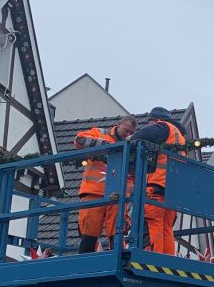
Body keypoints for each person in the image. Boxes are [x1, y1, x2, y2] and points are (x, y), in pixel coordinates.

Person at [128, 107, 188, 255]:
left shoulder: (163, 127)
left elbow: (141, 135)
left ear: (154, 120)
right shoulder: (179, 136)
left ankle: (151, 257)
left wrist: (130, 139)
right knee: (165, 227)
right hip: (172, 190)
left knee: (151, 224)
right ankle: (166, 259)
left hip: (157, 186)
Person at [73, 115, 137, 253]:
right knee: (89, 233)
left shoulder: (132, 145)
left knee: (117, 233)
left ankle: (115, 260)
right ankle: (83, 263)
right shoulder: (100, 133)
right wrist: (105, 146)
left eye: (131, 133)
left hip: (118, 196)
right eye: (126, 131)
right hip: (94, 192)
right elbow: (78, 140)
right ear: (118, 125)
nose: (128, 134)